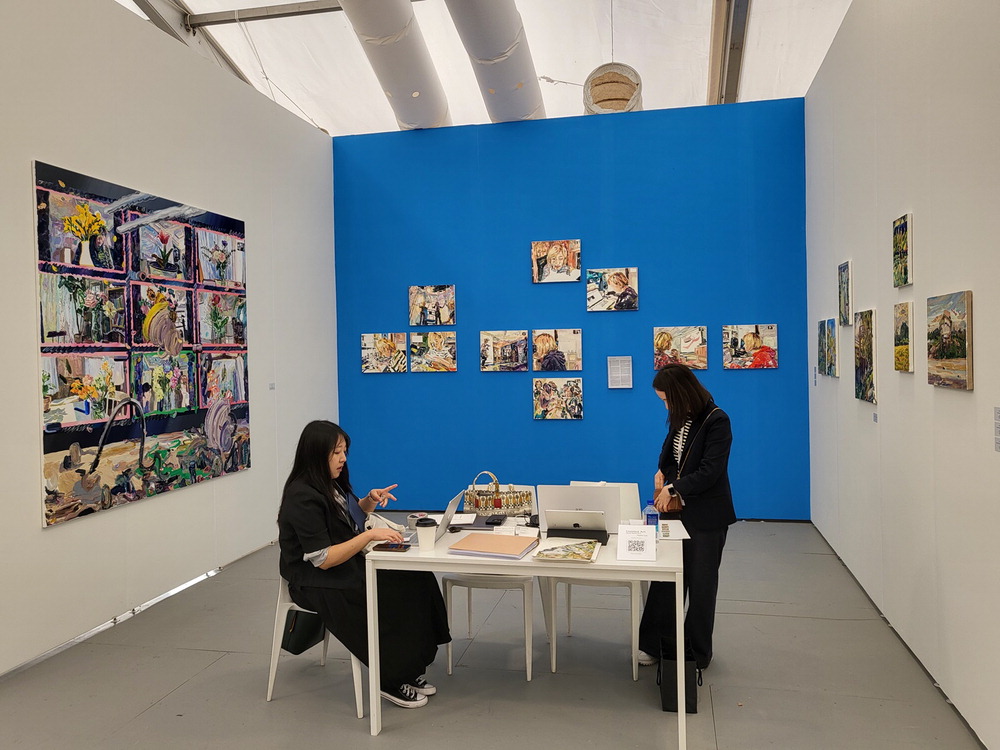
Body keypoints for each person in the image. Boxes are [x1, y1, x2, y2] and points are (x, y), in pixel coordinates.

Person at [277, 420, 450, 709]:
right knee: (388, 595)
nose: (343, 458)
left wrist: (369, 501)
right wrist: (369, 536)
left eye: (344, 451)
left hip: (342, 565)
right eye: (336, 452)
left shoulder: (329, 483)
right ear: (316, 453)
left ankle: (409, 668)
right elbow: (322, 558)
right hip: (313, 579)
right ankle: (389, 678)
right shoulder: (302, 495)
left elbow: (346, 517)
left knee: (415, 578)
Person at [638, 364, 735, 671]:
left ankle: (696, 653)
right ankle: (655, 645)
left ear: (681, 393)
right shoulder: (680, 417)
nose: (666, 406)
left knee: (702, 585)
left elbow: (710, 472)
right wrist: (664, 474)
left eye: (667, 400)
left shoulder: (717, 420)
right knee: (665, 580)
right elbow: (669, 457)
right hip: (677, 511)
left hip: (707, 516)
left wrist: (675, 487)